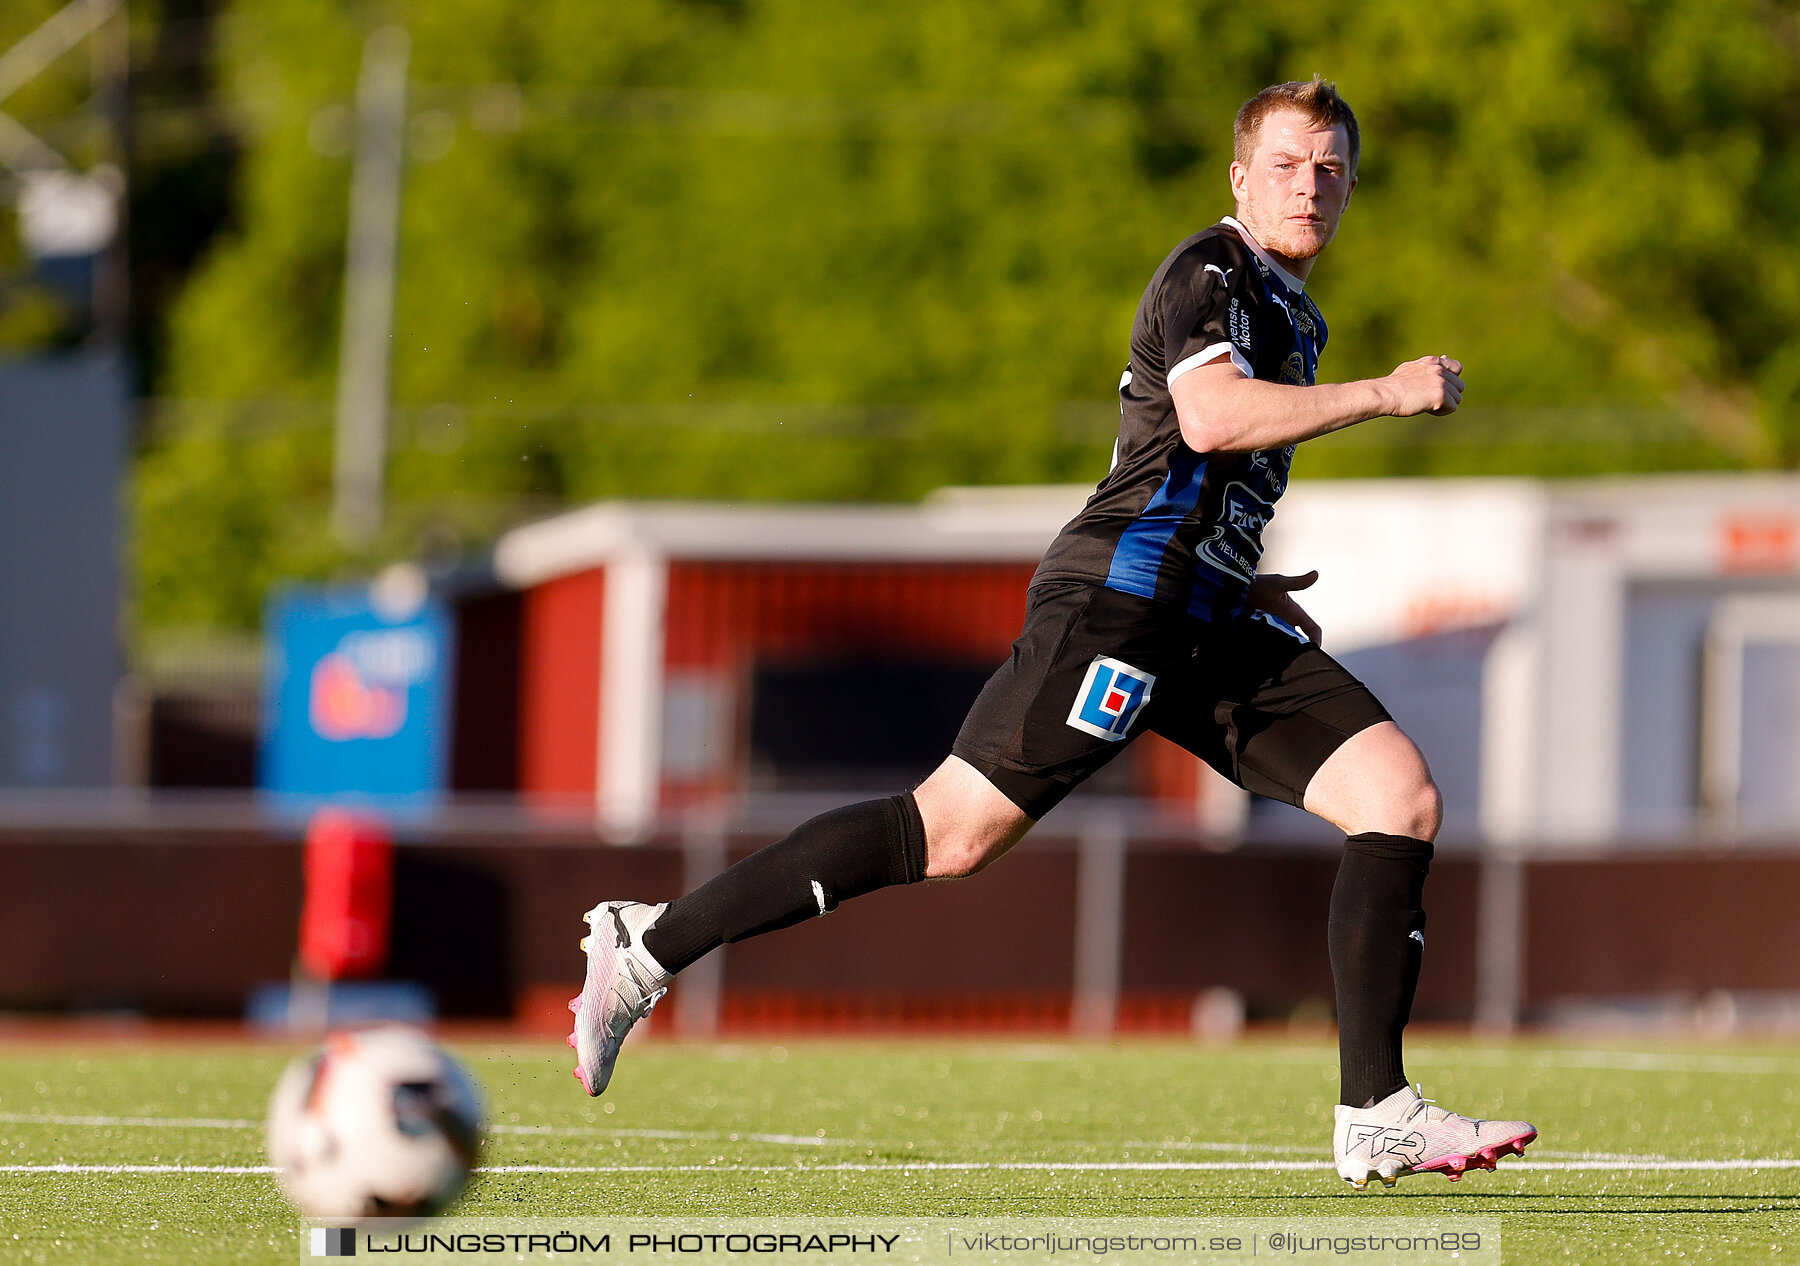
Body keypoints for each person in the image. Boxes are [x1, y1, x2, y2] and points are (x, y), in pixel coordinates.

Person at [566, 76, 1536, 1190]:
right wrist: (1386, 392)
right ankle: (643, 949)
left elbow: (1194, 468)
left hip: (1205, 614)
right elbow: (1213, 419)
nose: (1308, 186)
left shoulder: (1293, 311)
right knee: (949, 838)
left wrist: (1242, 577)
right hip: (1119, 608)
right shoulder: (1208, 270)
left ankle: (1377, 1111)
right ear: (1239, 178)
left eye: (1328, 169)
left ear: (1353, 187)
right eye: (1285, 164)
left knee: (1395, 796)